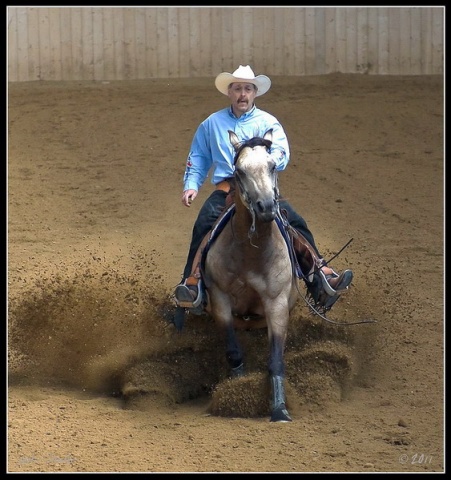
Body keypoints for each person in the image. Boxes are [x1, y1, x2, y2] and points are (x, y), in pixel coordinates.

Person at [174, 65, 353, 313]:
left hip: (261, 188)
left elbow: (281, 153)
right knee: (203, 224)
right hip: (228, 189)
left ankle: (320, 277)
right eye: (237, 89)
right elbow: (199, 157)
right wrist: (191, 186)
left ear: (255, 93)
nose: (242, 94)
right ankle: (192, 285)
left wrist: (263, 163)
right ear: (229, 92)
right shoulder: (211, 124)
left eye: (247, 89)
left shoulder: (269, 122)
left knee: (295, 223)